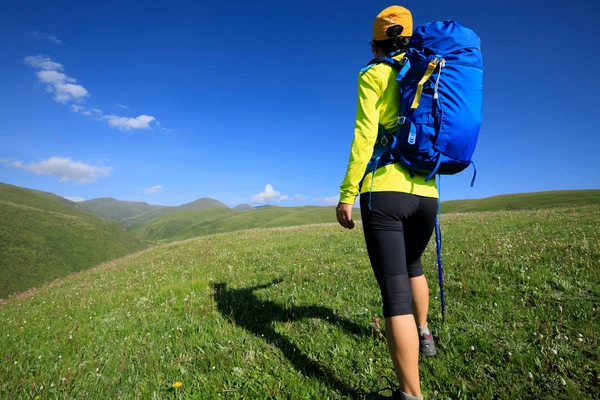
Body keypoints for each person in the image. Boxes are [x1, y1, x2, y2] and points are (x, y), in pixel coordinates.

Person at [336, 6, 438, 400]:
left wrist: (348, 192)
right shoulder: (429, 71)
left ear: (376, 42)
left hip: (384, 191)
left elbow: (364, 135)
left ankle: (411, 396)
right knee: (414, 265)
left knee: (395, 294)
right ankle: (425, 334)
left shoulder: (373, 74)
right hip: (427, 194)